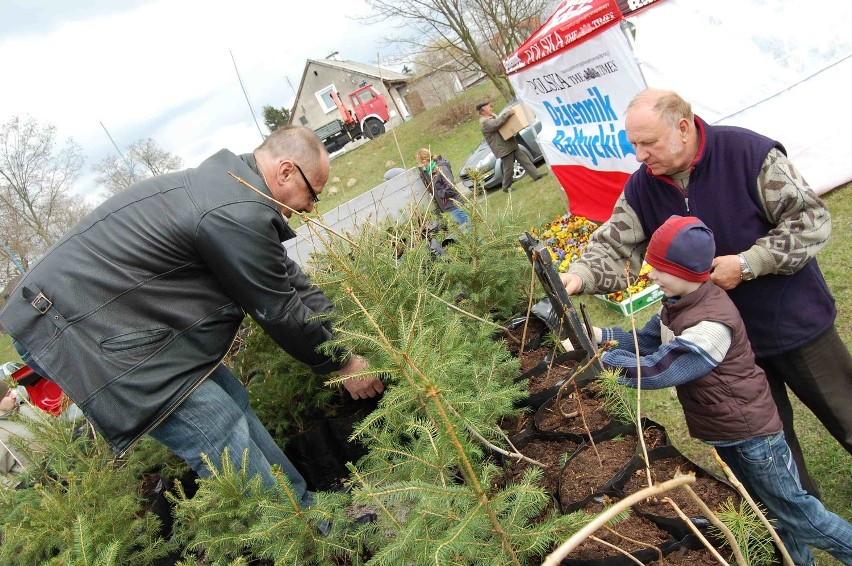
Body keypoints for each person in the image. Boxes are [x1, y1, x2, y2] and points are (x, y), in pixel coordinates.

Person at [0, 126, 385, 511]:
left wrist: (346, 335)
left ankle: (303, 506)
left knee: (231, 398)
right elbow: (278, 309)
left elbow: (289, 279)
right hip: (69, 326)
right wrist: (344, 363)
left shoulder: (233, 191)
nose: (310, 207)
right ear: (285, 171)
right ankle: (302, 532)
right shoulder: (233, 211)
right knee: (214, 423)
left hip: (110, 319)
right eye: (312, 193)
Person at [560, 88, 851, 499]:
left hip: (794, 323)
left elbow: (811, 220)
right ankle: (801, 516)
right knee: (773, 442)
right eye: (634, 145)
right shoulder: (643, 188)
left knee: (845, 411)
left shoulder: (748, 154)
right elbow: (614, 247)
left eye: (648, 143)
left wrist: (750, 264)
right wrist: (578, 277)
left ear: (682, 128)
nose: (640, 155)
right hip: (724, 345)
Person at [593, 216, 852, 566]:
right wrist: (595, 337)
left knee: (802, 518)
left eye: (658, 268)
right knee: (768, 513)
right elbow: (645, 341)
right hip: (728, 434)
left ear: (685, 271)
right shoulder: (678, 304)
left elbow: (660, 368)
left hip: (753, 438)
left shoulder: (711, 323)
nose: (650, 275)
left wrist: (603, 367)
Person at [476, 101, 547, 192]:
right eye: (487, 107)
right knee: (508, 168)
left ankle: (536, 175)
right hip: (503, 148)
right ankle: (506, 187)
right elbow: (496, 124)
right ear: (482, 111)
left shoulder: (491, 116)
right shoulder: (484, 122)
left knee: (525, 160)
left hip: (509, 143)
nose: (490, 107)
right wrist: (508, 113)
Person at [414, 148, 470, 228]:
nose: (418, 165)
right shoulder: (430, 173)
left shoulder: (441, 169)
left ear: (424, 161)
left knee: (468, 231)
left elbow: (451, 188)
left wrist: (438, 194)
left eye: (418, 163)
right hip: (447, 209)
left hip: (454, 206)